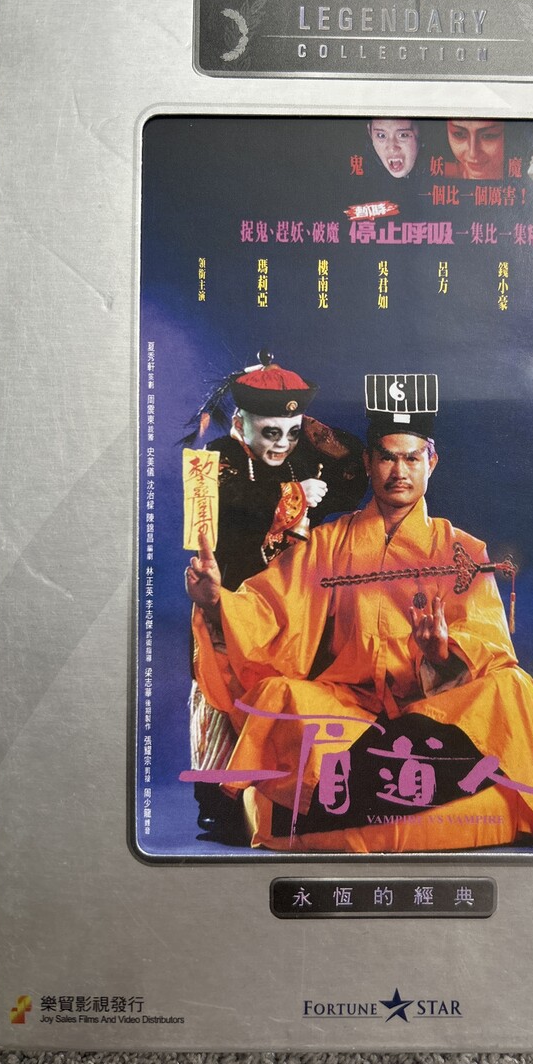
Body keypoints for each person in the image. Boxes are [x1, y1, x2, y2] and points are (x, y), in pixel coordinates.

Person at [186, 380, 533, 853]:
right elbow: (269, 610)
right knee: (280, 696)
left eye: (412, 458)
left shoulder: (462, 551)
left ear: (431, 463)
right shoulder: (328, 543)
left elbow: (491, 648)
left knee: (510, 687)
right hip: (346, 712)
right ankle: (419, 791)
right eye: (387, 458)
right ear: (368, 462)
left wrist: (441, 652)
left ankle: (345, 799)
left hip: (432, 712)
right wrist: (216, 600)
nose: (400, 472)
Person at [184, 352, 366, 841]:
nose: (282, 445)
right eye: (270, 433)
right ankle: (216, 803)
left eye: (292, 433)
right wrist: (293, 497)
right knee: (219, 695)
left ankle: (271, 798)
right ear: (240, 420)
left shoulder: (299, 455)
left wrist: (299, 416)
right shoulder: (212, 458)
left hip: (290, 610)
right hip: (229, 596)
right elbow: (206, 515)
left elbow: (354, 471)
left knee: (279, 697)